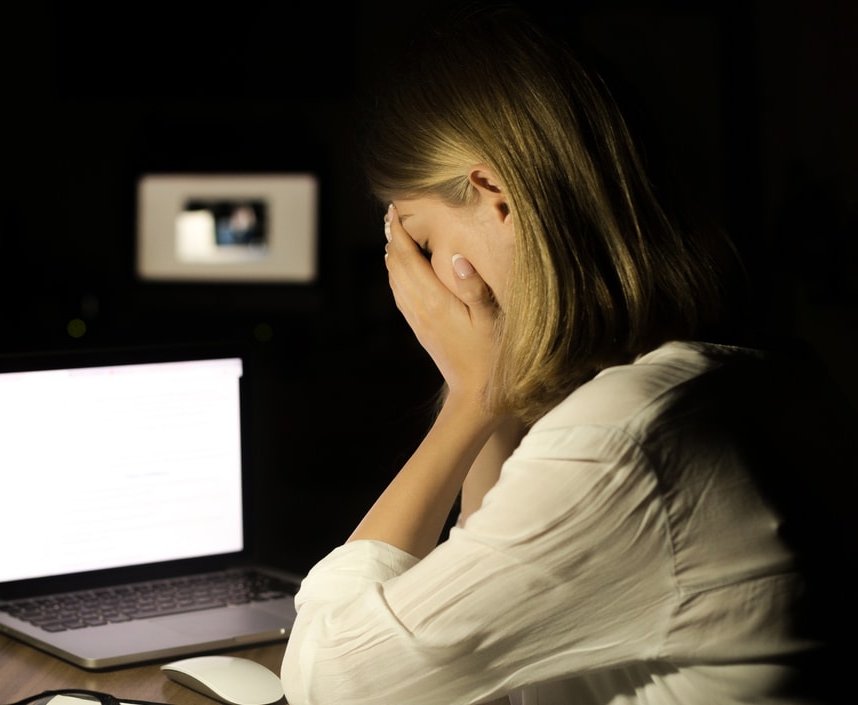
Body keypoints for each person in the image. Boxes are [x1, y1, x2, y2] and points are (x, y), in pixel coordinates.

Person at [280, 3, 854, 704]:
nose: (421, 281)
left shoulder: (623, 441)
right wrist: (494, 393)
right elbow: (482, 643)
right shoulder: (762, 370)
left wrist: (468, 402)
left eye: (426, 244)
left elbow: (331, 681)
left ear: (494, 196)